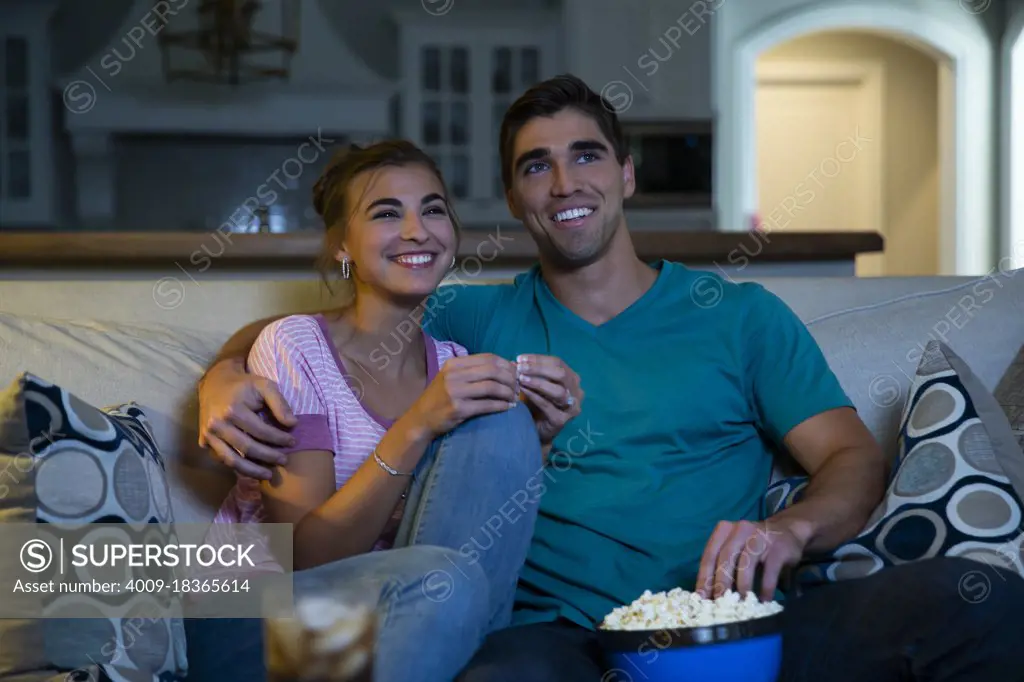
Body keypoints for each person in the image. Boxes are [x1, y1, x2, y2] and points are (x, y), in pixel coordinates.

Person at [196, 75, 1024, 681]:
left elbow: (851, 458)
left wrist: (791, 531)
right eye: (535, 167)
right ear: (515, 201)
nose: (565, 184)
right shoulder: (468, 325)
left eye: (586, 156)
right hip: (546, 637)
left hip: (723, 625)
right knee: (463, 619)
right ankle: (83, 589)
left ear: (625, 174)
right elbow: (325, 338)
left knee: (977, 599)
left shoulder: (738, 316)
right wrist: (225, 377)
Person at [185, 139, 564, 682]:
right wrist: (417, 423)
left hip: (412, 621)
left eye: (433, 209)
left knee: (497, 440)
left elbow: (476, 540)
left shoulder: (455, 365)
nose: (417, 229)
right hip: (257, 617)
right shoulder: (295, 347)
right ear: (342, 245)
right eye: (387, 213)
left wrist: (540, 440)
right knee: (446, 583)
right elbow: (305, 557)